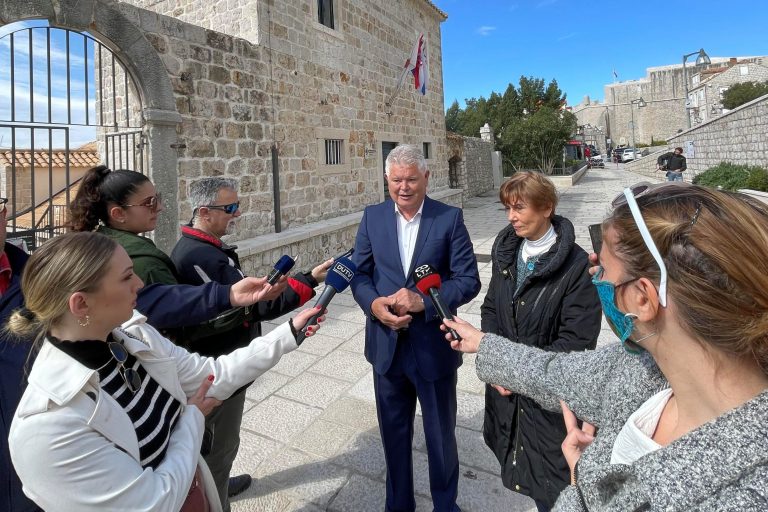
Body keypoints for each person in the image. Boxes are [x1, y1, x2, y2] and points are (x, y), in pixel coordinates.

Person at [443, 181, 768, 510]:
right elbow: (551, 372)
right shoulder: (640, 371)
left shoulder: (743, 496)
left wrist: (585, 488)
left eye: (604, 272)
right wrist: (483, 343)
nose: (596, 276)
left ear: (643, 298)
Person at [7, 231, 325, 511]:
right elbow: (157, 503)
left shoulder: (133, 336)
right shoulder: (47, 428)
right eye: (126, 276)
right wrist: (192, 419)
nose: (140, 283)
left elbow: (211, 375)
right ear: (81, 304)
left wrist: (288, 333)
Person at [170, 177, 333, 510]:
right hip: (219, 370)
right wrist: (309, 280)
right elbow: (255, 307)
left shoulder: (207, 249)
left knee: (221, 445)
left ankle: (221, 481)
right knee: (219, 447)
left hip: (226, 363)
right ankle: (217, 498)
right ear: (204, 211)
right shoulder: (199, 257)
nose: (237, 213)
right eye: (230, 208)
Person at [351, 144, 481, 511]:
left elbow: (468, 279)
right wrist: (373, 304)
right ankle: (399, 504)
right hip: (386, 348)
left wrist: (424, 301)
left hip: (433, 347)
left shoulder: (448, 218)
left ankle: (445, 504)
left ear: (426, 177)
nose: (403, 187)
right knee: (393, 435)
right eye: (396, 180)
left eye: (411, 179)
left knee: (441, 436)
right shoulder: (372, 217)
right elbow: (360, 273)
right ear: (386, 180)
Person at [481, 172, 601, 511]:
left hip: (549, 408)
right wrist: (495, 365)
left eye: (519, 208)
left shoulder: (576, 267)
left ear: (547, 206)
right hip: (507, 398)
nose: (511, 217)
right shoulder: (507, 252)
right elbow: (491, 308)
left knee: (553, 491)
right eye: (507, 208)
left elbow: (575, 343)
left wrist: (511, 370)